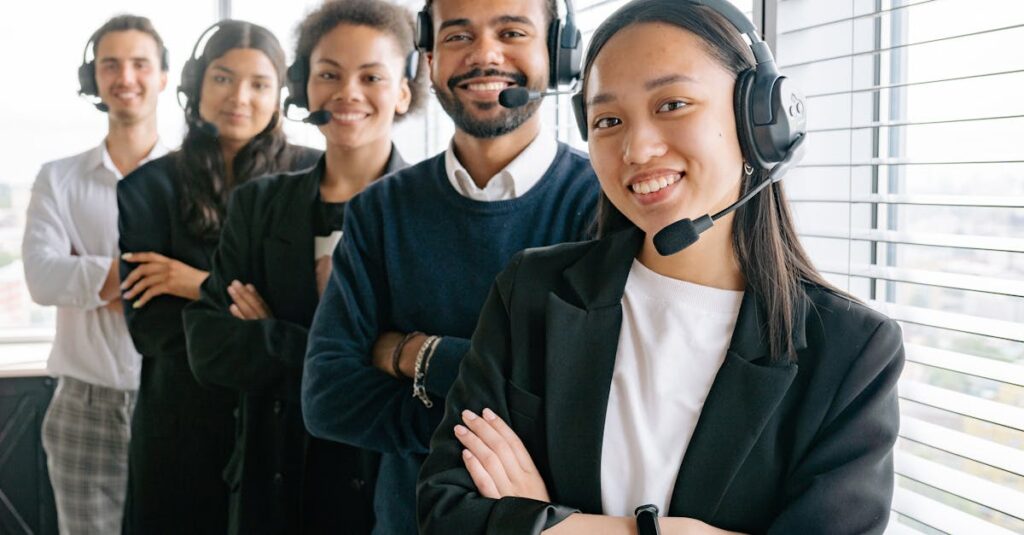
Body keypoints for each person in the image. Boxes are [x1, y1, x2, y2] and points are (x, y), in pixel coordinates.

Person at [417, 1, 905, 534]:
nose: (637, 147)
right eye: (608, 120)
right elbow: (447, 514)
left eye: (671, 104)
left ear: (760, 118)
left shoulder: (851, 351)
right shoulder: (532, 292)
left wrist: (547, 523)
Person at [300, 0, 599, 532]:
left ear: (557, 52)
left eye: (511, 31)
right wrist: (510, 413)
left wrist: (413, 353)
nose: (485, 54)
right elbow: (328, 398)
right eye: (459, 36)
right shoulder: (378, 210)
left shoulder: (604, 207)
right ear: (430, 58)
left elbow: (588, 410)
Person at [181, 1, 426, 533]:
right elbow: (210, 347)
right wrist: (364, 352)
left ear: (404, 90)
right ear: (304, 86)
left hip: (384, 489)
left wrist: (273, 334)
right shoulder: (258, 205)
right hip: (273, 483)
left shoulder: (430, 213)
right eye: (328, 74)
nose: (348, 93)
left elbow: (433, 375)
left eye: (372, 76)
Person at [116, 20, 320, 534]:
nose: (239, 97)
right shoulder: (147, 187)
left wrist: (195, 284)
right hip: (179, 426)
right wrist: (260, 320)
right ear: (196, 84)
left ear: (282, 95)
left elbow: (318, 323)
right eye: (223, 78)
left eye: (259, 83)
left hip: (286, 426)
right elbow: (153, 329)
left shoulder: (315, 178)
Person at [20, 15, 168, 534]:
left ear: (164, 78)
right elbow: (41, 277)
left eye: (139, 63)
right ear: (94, 79)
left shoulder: (193, 177)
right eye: (111, 64)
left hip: (175, 398)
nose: (125, 76)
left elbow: (209, 281)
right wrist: (151, 278)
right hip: (84, 401)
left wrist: (90, 277)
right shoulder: (58, 178)